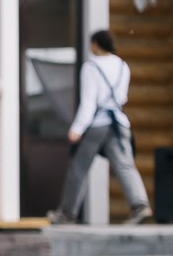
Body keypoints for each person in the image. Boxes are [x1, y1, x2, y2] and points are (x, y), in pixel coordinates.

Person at [55, 28, 151, 225]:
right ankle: (140, 204)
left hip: (98, 124)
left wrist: (77, 128)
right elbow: (121, 97)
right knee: (125, 165)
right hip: (119, 123)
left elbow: (89, 101)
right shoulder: (123, 66)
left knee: (79, 167)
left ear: (96, 44)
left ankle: (67, 213)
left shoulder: (91, 67)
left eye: (91, 43)